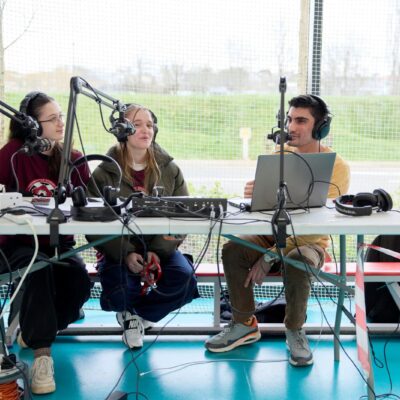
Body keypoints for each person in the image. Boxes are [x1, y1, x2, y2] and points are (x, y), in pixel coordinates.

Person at [205, 94, 350, 366]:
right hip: (271, 233)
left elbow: (317, 226)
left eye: (301, 120)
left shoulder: (337, 166)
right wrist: (254, 196)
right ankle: (243, 323)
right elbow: (264, 211)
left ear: (320, 127)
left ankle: (295, 330)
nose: (291, 127)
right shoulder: (279, 157)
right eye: (290, 120)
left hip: (309, 242)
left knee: (297, 260)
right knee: (233, 248)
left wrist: (271, 254)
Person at [0, 92, 92, 394]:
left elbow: (87, 206)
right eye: (52, 119)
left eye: (61, 117)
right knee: (37, 270)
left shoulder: (73, 158)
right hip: (18, 244)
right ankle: (42, 357)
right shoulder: (11, 154)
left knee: (79, 280)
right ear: (30, 126)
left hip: (59, 243)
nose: (60, 123)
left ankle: (34, 330)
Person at [86, 103, 199, 349]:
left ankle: (135, 317)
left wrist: (157, 251)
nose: (146, 130)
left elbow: (183, 216)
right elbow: (93, 224)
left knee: (185, 278)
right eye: (137, 125)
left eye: (149, 125)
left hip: (162, 248)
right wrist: (126, 253)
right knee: (121, 288)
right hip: (119, 251)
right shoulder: (103, 173)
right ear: (120, 130)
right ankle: (130, 315)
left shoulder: (170, 169)